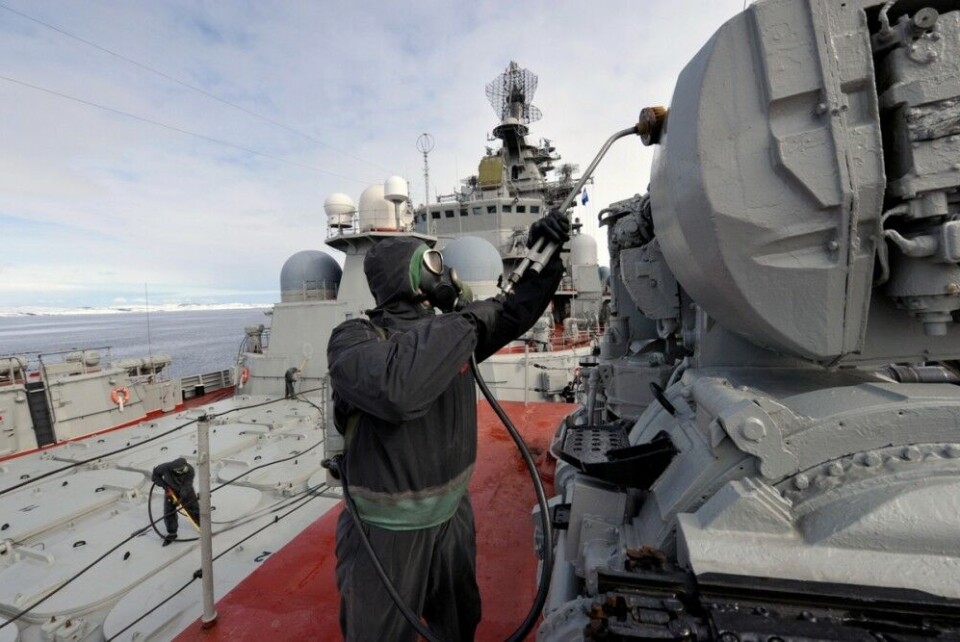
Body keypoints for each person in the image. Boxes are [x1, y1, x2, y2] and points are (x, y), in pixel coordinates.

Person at [327, 211, 569, 641]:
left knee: (459, 621)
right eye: (434, 263)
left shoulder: (452, 332)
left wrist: (544, 258)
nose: (447, 272)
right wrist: (469, 317)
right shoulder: (354, 338)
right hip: (387, 532)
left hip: (452, 516)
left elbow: (514, 313)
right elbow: (397, 388)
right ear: (409, 277)